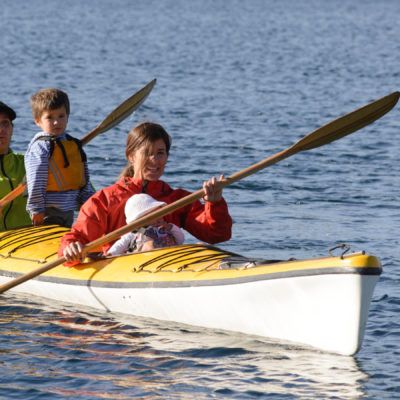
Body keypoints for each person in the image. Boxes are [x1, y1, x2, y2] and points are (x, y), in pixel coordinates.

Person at [60, 121, 232, 264]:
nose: (155, 160)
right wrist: (72, 247)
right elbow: (78, 236)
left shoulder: (178, 199)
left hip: (167, 264)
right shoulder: (105, 200)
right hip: (121, 267)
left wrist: (215, 203)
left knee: (202, 246)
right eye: (147, 153)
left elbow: (217, 235)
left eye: (160, 153)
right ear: (131, 156)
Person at [25, 88, 94, 228]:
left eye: (61, 116)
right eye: (50, 117)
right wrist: (36, 208)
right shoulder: (40, 147)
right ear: (38, 121)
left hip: (69, 209)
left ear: (67, 116)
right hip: (47, 211)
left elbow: (83, 176)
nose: (56, 122)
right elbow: (36, 179)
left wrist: (88, 201)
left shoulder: (73, 144)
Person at [106, 193, 185, 256]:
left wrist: (170, 227)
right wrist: (111, 253)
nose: (158, 218)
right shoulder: (136, 232)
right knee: (149, 244)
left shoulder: (166, 228)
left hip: (169, 255)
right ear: (139, 221)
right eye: (153, 216)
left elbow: (180, 240)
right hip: (144, 258)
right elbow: (122, 244)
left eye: (160, 214)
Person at [0, 101, 31, 231]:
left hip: (30, 242)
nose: (1, 129)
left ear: (12, 129)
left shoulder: (30, 164)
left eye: (5, 123)